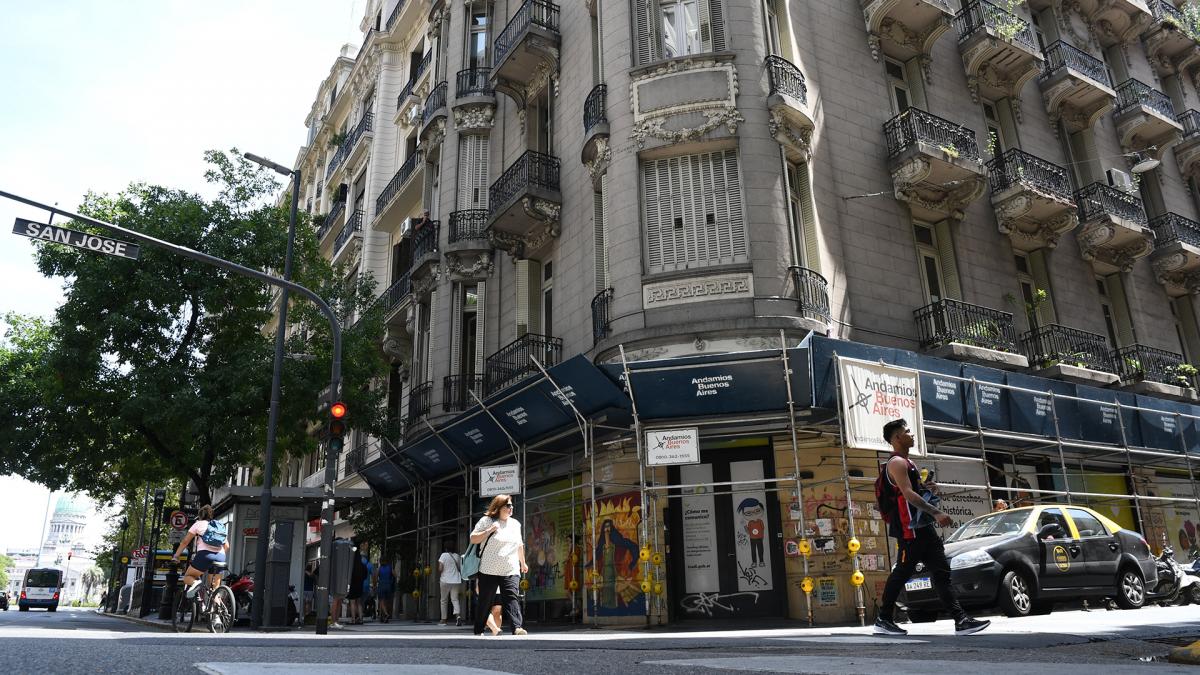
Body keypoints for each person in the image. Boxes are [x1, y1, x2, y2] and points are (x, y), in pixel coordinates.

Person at [874, 419, 990, 637]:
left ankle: (960, 620)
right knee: (903, 572)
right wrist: (936, 512)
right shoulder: (896, 463)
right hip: (910, 528)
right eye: (907, 431)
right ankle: (884, 618)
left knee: (941, 572)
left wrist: (930, 490)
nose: (912, 434)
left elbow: (913, 491)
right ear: (897, 438)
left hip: (923, 527)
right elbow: (907, 494)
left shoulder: (910, 464)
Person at [470, 494, 529, 636]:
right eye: (508, 505)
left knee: (511, 598)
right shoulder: (487, 520)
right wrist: (489, 530)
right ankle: (479, 629)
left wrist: (523, 562)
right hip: (488, 569)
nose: (511, 508)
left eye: (512, 505)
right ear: (498, 507)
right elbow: (473, 538)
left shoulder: (515, 524)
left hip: (510, 568)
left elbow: (519, 544)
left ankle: (517, 627)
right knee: (485, 601)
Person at [171, 505, 229, 600]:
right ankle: (217, 613)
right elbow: (227, 546)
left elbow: (185, 542)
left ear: (200, 516)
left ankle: (195, 583)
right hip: (220, 557)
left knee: (188, 576)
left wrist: (176, 556)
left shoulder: (198, 524)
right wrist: (218, 557)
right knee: (215, 589)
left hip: (205, 555)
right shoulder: (219, 526)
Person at [437, 541, 462, 626]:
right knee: (455, 599)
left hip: (445, 580)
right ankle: (458, 616)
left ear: (445, 548)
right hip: (456, 580)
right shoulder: (457, 556)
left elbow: (440, 568)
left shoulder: (443, 555)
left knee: (443, 600)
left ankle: (443, 620)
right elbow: (460, 568)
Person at [347, 540, 369, 625]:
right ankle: (361, 619)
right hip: (360, 584)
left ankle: (353, 619)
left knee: (352, 602)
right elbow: (365, 575)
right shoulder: (362, 565)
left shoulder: (351, 565)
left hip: (352, 584)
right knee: (359, 602)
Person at [376, 554, 394, 624]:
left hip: (381, 586)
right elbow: (395, 574)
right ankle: (383, 617)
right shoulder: (390, 568)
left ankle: (386, 614)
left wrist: (375, 584)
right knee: (386, 601)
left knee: (381, 601)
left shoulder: (379, 568)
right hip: (388, 586)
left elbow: (376, 577)